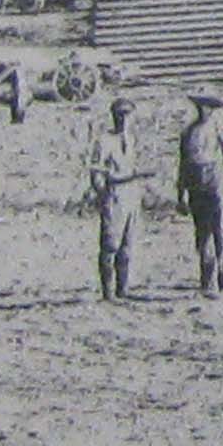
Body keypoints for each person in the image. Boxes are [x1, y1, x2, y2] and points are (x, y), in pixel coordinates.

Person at [178, 90, 223, 297]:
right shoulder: (188, 131)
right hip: (196, 187)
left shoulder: (221, 129)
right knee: (202, 235)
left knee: (221, 233)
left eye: (207, 106)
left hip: (217, 184)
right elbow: (182, 165)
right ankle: (207, 281)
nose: (203, 110)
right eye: (199, 105)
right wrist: (181, 194)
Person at [87, 97, 149, 301]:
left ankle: (123, 288)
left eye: (127, 115)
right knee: (110, 244)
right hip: (114, 194)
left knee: (127, 245)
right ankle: (108, 291)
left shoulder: (132, 140)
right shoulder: (105, 140)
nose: (123, 120)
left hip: (132, 194)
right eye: (119, 115)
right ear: (113, 116)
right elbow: (96, 170)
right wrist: (102, 192)